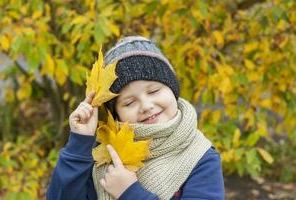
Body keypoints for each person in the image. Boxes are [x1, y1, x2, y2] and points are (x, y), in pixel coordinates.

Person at [46, 36, 225, 200]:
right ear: (116, 113)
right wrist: (79, 143)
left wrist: (130, 192)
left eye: (154, 91)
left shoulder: (200, 157)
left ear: (172, 89)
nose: (146, 105)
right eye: (129, 102)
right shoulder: (104, 154)